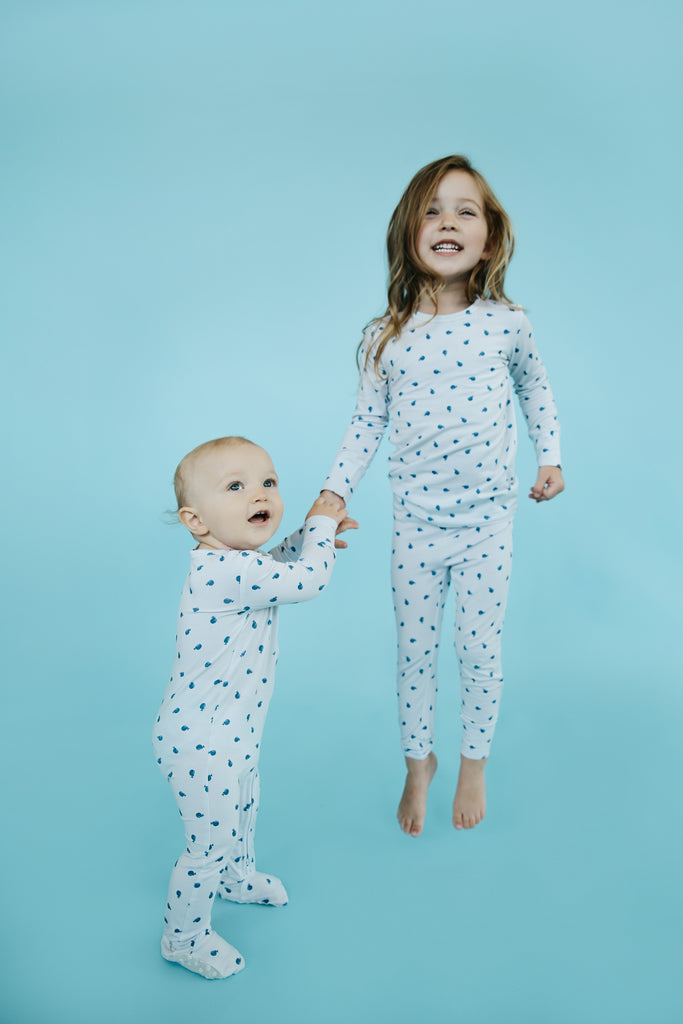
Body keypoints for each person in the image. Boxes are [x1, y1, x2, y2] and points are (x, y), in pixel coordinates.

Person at [321, 155, 564, 838]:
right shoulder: (385, 337)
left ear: (488, 237)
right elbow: (366, 422)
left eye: (465, 210)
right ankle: (417, 759)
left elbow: (533, 389)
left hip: (487, 522)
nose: (447, 221)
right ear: (408, 233)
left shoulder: (506, 322)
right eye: (432, 209)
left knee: (478, 648)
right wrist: (332, 492)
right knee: (415, 652)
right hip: (416, 526)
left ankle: (473, 760)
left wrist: (550, 458)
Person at [153, 436, 356, 979]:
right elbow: (306, 580)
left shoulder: (238, 562)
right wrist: (319, 527)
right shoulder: (222, 572)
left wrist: (307, 539)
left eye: (268, 482)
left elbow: (276, 563)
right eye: (236, 486)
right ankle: (183, 935)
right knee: (208, 842)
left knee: (243, 809)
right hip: (199, 740)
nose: (259, 494)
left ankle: (237, 878)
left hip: (233, 732)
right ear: (196, 520)